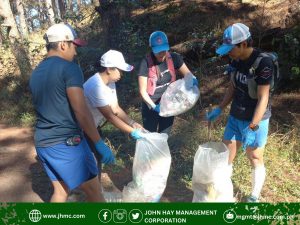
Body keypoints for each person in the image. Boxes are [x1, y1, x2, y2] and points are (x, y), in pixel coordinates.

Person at [29, 23, 115, 202]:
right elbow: (81, 110)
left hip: (43, 143)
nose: (75, 52)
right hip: (67, 143)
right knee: (94, 193)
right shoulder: (70, 68)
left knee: (60, 192)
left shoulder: (36, 72)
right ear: (62, 45)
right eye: (73, 47)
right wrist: (98, 143)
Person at [206, 23, 274, 202]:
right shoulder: (235, 60)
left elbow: (263, 98)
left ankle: (254, 196)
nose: (228, 52)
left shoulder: (263, 63)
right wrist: (220, 108)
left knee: (255, 156)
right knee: (226, 153)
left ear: (243, 44)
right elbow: (232, 86)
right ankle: (223, 190)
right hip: (236, 115)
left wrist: (253, 127)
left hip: (256, 118)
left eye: (230, 48)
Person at [138, 31, 198, 134]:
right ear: (152, 48)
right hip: (151, 105)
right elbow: (142, 91)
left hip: (169, 103)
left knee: (165, 135)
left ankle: (162, 150)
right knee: (149, 136)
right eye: (158, 51)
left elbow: (188, 74)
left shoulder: (174, 58)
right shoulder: (146, 62)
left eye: (163, 50)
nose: (161, 53)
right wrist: (153, 106)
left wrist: (193, 79)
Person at [84, 50, 144, 142]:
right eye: (120, 71)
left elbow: (115, 108)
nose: (122, 74)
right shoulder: (95, 86)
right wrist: (133, 131)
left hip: (93, 126)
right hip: (81, 129)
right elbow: (110, 116)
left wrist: (132, 123)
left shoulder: (110, 82)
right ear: (108, 69)